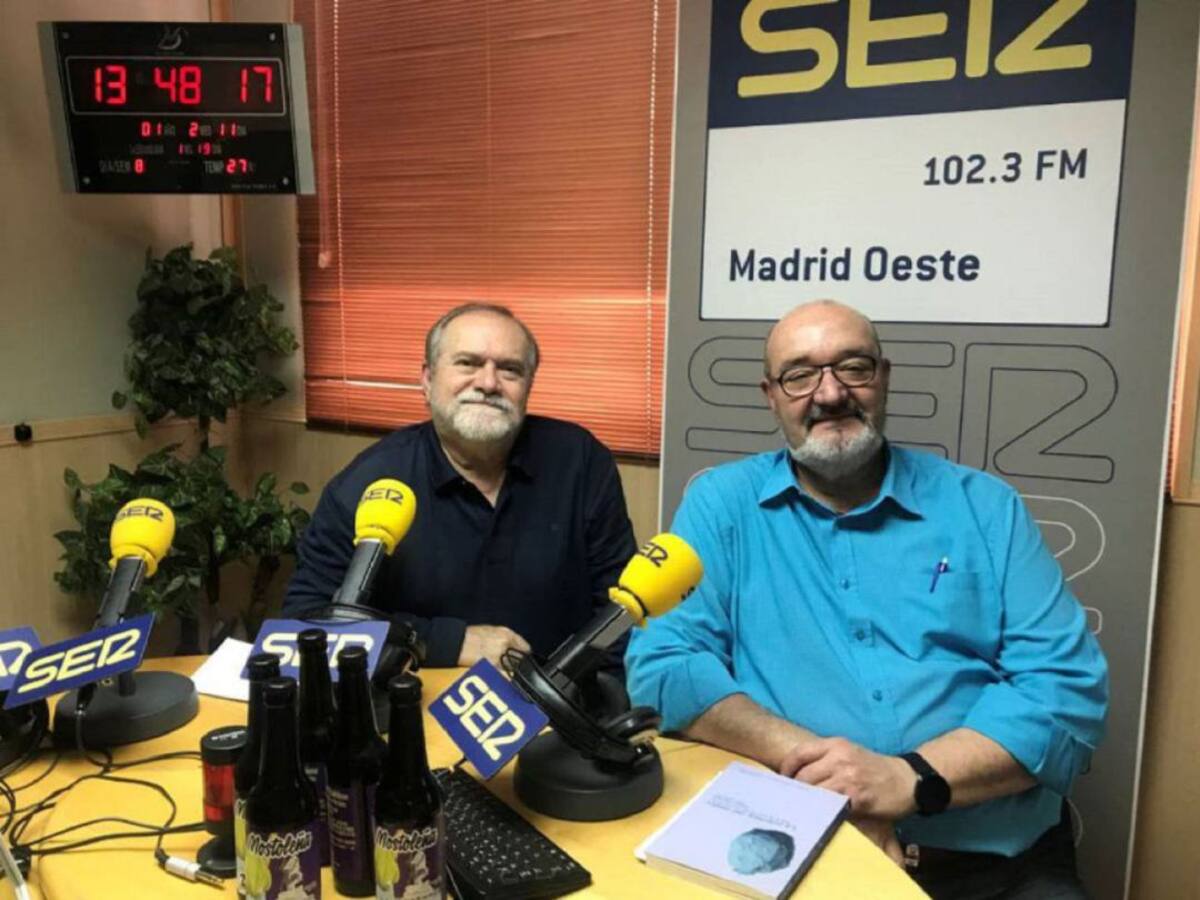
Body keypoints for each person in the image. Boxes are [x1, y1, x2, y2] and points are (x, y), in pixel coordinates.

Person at [626, 300, 1108, 899]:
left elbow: (1065, 691)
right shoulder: (721, 505)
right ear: (770, 395)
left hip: (993, 863)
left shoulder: (986, 508)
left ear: (883, 377)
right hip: (803, 844)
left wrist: (908, 780)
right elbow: (665, 665)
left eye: (852, 367)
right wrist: (837, 782)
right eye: (799, 375)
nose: (830, 394)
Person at [285, 303, 637, 669]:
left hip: (558, 695)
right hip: (420, 697)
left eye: (510, 369)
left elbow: (622, 611)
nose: (488, 383)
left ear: (529, 386)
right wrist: (444, 642)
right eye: (468, 363)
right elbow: (303, 624)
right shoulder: (369, 483)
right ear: (427, 379)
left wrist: (582, 692)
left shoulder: (580, 462)